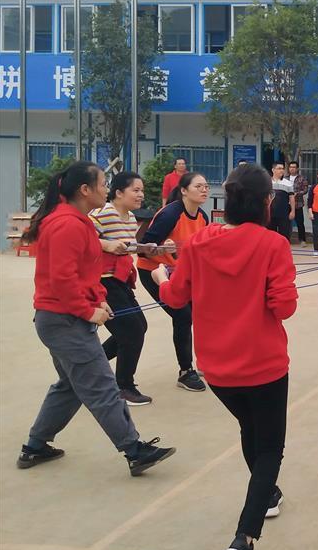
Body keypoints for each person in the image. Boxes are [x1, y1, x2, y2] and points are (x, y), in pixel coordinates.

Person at [153, 164, 297, 550]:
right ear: (266, 201)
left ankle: (267, 496)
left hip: (217, 370)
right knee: (269, 448)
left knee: (251, 429)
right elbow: (284, 307)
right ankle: (244, 539)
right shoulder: (273, 244)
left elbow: (175, 297)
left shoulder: (199, 242)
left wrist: (162, 276)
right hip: (264, 366)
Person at [16, 161, 175, 477]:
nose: (107, 189)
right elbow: (62, 279)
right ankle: (134, 450)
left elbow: (86, 271)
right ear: (84, 190)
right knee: (102, 386)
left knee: (70, 386)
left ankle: (35, 446)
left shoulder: (79, 221)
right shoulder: (67, 224)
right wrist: (87, 310)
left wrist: (99, 299)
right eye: (103, 184)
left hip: (61, 318)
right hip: (63, 321)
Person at [136, 172, 210, 392]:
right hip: (154, 271)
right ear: (184, 190)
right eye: (198, 186)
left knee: (198, 313)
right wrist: (161, 249)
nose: (204, 190)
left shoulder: (203, 217)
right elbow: (142, 250)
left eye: (206, 186)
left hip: (181, 273)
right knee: (182, 315)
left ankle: (203, 363)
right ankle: (186, 371)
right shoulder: (170, 214)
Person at [90, 171, 153, 406]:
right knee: (131, 332)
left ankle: (89, 368)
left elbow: (128, 247)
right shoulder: (103, 213)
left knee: (138, 327)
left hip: (121, 280)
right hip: (103, 281)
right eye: (135, 190)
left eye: (142, 190)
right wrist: (106, 244)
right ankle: (124, 387)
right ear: (118, 192)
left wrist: (149, 248)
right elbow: (82, 239)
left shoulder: (130, 218)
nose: (141, 195)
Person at [268, 162, 295, 242]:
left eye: (283, 169)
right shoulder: (267, 182)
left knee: (284, 236)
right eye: (279, 168)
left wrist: (293, 211)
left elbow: (291, 197)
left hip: (284, 214)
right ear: (273, 170)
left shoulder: (288, 183)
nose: (281, 170)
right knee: (270, 236)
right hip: (270, 214)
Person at [284, 160, 309, 247]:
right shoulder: (285, 178)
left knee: (300, 223)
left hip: (298, 204)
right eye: (290, 167)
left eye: (294, 167)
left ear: (297, 168)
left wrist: (297, 193)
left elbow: (305, 190)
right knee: (286, 223)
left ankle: (302, 240)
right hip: (286, 204)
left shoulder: (302, 178)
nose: (292, 169)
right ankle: (286, 240)